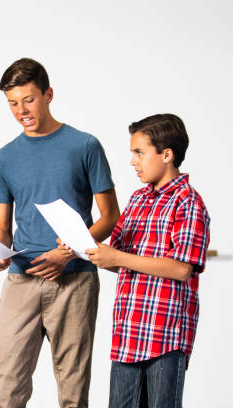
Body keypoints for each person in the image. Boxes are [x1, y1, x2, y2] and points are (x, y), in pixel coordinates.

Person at [0, 58, 120, 408]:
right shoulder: (2, 159)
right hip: (22, 280)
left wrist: (70, 252)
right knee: (8, 391)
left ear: (48, 94)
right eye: (13, 103)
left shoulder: (84, 146)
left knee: (73, 392)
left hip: (75, 281)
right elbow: (2, 229)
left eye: (28, 100)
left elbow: (110, 216)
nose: (21, 111)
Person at [80, 114, 210, 407]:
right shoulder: (137, 200)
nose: (132, 161)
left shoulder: (188, 202)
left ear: (167, 155)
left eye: (139, 152)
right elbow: (119, 261)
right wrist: (91, 251)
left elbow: (181, 268)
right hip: (128, 334)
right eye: (132, 153)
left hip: (165, 336)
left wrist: (118, 256)